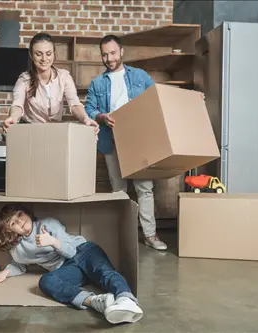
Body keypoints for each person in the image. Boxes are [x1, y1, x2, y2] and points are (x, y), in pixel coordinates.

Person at [0, 204, 143, 324]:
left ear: (26, 212)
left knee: (103, 272)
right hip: (67, 269)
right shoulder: (19, 249)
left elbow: (71, 251)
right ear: (10, 231)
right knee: (46, 282)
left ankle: (126, 300)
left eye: (20, 214)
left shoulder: (48, 224)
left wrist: (52, 242)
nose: (21, 222)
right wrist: (3, 273)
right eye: (13, 223)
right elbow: (19, 264)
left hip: (83, 251)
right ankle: (95, 302)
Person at [84, 35, 167, 251]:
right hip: (111, 140)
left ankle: (150, 235)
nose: (109, 58)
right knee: (119, 190)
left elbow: (158, 97)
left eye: (112, 53)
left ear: (121, 51)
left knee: (144, 188)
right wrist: (101, 117)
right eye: (105, 54)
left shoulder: (140, 76)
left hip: (138, 140)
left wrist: (189, 98)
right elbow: (89, 110)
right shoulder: (97, 83)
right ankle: (121, 236)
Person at [3, 32, 99, 133]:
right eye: (38, 54)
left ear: (54, 54)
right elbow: (17, 104)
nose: (44, 59)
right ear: (31, 55)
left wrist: (85, 119)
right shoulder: (24, 80)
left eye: (48, 54)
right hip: (30, 130)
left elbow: (74, 104)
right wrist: (13, 117)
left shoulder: (64, 77)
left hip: (54, 130)